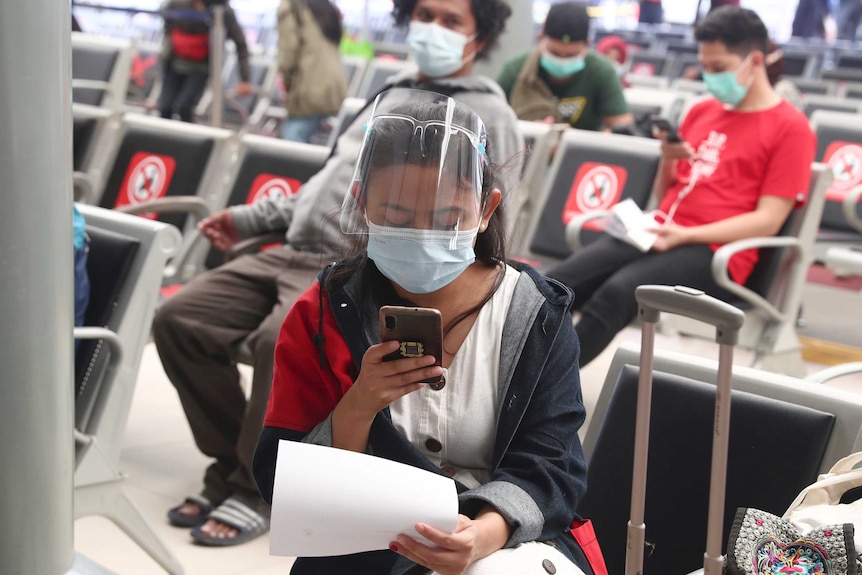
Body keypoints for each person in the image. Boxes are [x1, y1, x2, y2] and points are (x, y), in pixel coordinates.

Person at [153, 0, 522, 547]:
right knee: (179, 320)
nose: (431, 29)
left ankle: (252, 490)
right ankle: (248, 463)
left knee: (276, 340)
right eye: (425, 14)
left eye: (451, 22)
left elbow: (492, 219)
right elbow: (328, 181)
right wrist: (253, 217)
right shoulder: (383, 96)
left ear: (479, 38)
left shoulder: (487, 117)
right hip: (291, 246)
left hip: (362, 262)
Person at [253, 91, 592, 575]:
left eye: (446, 219)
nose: (421, 235)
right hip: (369, 542)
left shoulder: (534, 314)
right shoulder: (324, 314)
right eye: (394, 217)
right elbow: (280, 480)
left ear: (487, 210)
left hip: (502, 542)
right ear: (361, 202)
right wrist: (359, 404)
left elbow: (552, 465)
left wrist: (481, 534)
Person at [544, 6, 816, 367]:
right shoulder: (702, 111)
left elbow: (768, 219)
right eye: (705, 67)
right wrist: (669, 157)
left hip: (718, 251)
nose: (710, 77)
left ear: (754, 61)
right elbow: (667, 191)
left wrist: (685, 236)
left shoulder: (791, 128)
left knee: (619, 293)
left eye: (719, 68)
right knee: (555, 285)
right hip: (661, 229)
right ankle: (512, 373)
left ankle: (545, 389)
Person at [496, 2, 633, 132]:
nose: (562, 60)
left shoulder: (602, 71)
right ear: (540, 39)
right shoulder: (516, 70)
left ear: (587, 45)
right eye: (554, 53)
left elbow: (622, 127)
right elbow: (492, 121)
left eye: (571, 55)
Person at [158, 0, 251, 123]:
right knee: (165, 107)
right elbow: (166, 19)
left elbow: (241, 44)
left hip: (200, 67)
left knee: (184, 107)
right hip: (174, 62)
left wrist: (245, 79)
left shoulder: (223, 11)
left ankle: (187, 140)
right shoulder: (178, 4)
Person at [277, 0, 347, 143]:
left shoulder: (290, 7)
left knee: (291, 143)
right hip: (334, 86)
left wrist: (288, 87)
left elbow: (288, 56)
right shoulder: (323, 6)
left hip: (310, 88)